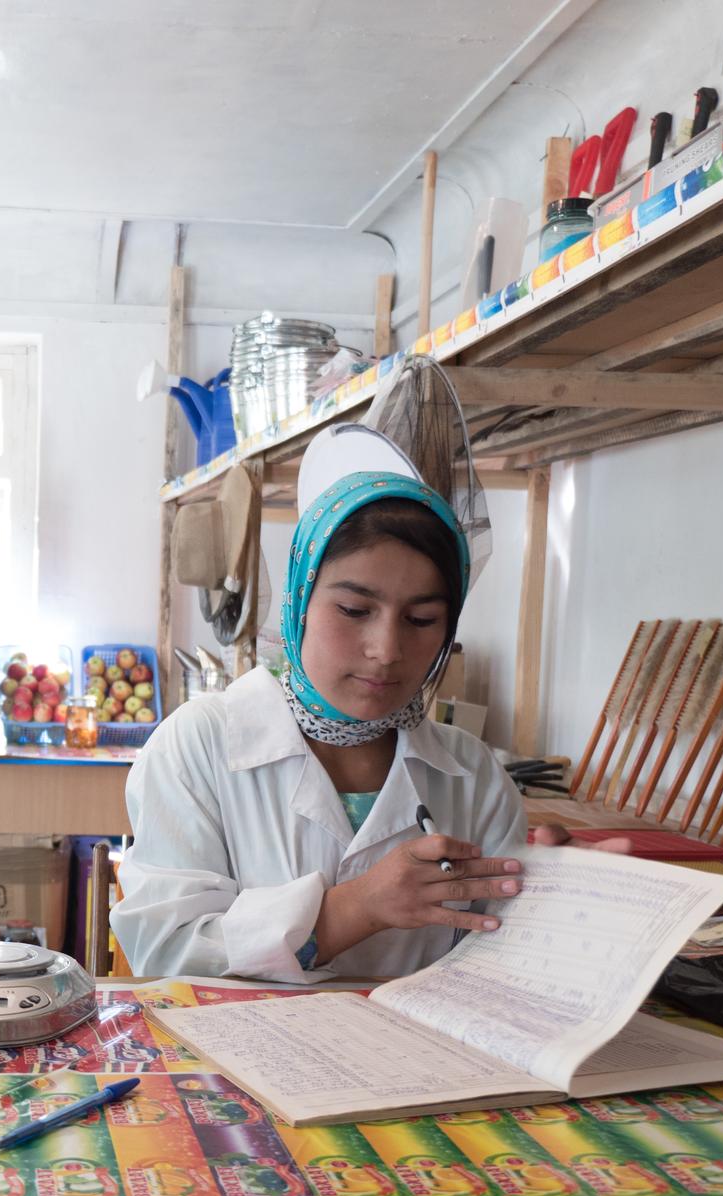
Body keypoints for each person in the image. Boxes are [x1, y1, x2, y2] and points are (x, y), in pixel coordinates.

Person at [115, 399, 599, 982]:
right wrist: (358, 906)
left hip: (426, 1068)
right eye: (353, 609)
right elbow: (164, 951)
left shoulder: (469, 771)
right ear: (300, 601)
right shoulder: (198, 745)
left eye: (421, 620)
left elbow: (506, 960)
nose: (386, 649)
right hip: (242, 1066)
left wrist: (567, 901)